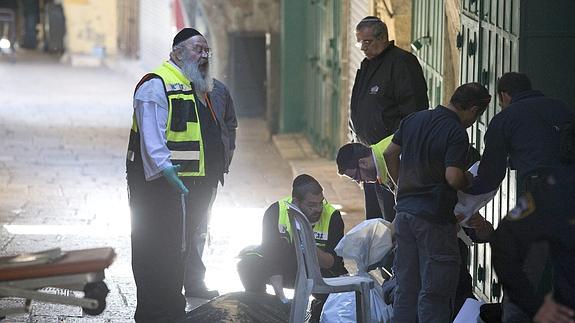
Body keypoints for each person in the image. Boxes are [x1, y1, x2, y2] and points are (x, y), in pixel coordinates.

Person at [126, 28, 236, 322]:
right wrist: (165, 171)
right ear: (176, 52)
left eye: (206, 51)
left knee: (177, 251)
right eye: (197, 49)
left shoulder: (195, 85)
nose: (203, 56)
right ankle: (154, 313)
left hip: (190, 185)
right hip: (160, 187)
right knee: (156, 249)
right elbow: (152, 138)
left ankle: (170, 308)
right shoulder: (156, 84)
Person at [471, 72, 575, 322]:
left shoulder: (506, 118)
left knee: (523, 266)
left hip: (543, 195)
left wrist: (464, 189)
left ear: (504, 95)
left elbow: (490, 176)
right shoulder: (559, 107)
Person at [384, 82, 491, 322]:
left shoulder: (413, 119)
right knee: (435, 291)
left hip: (404, 215)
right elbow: (452, 177)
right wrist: (468, 180)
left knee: (406, 288)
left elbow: (389, 154)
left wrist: (403, 186)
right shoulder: (455, 131)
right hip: (434, 219)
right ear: (473, 110)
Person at [236, 174, 347, 323]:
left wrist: (308, 242)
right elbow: (271, 257)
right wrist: (281, 300)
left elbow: (333, 263)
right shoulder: (276, 211)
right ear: (296, 202)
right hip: (286, 269)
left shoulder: (332, 216)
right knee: (247, 264)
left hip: (318, 272)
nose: (318, 209)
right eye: (311, 205)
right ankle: (264, 306)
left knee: (335, 296)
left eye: (321, 203)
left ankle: (318, 309)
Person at [349, 16, 429, 221]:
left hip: (391, 157)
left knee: (393, 217)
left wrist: (397, 149)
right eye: (360, 42)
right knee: (376, 219)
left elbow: (413, 111)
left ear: (383, 37)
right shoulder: (368, 64)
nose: (362, 48)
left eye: (367, 42)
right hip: (371, 159)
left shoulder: (402, 63)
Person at [336, 134, 394, 220]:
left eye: (356, 177)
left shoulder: (390, 157)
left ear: (363, 163)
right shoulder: (381, 156)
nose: (360, 182)